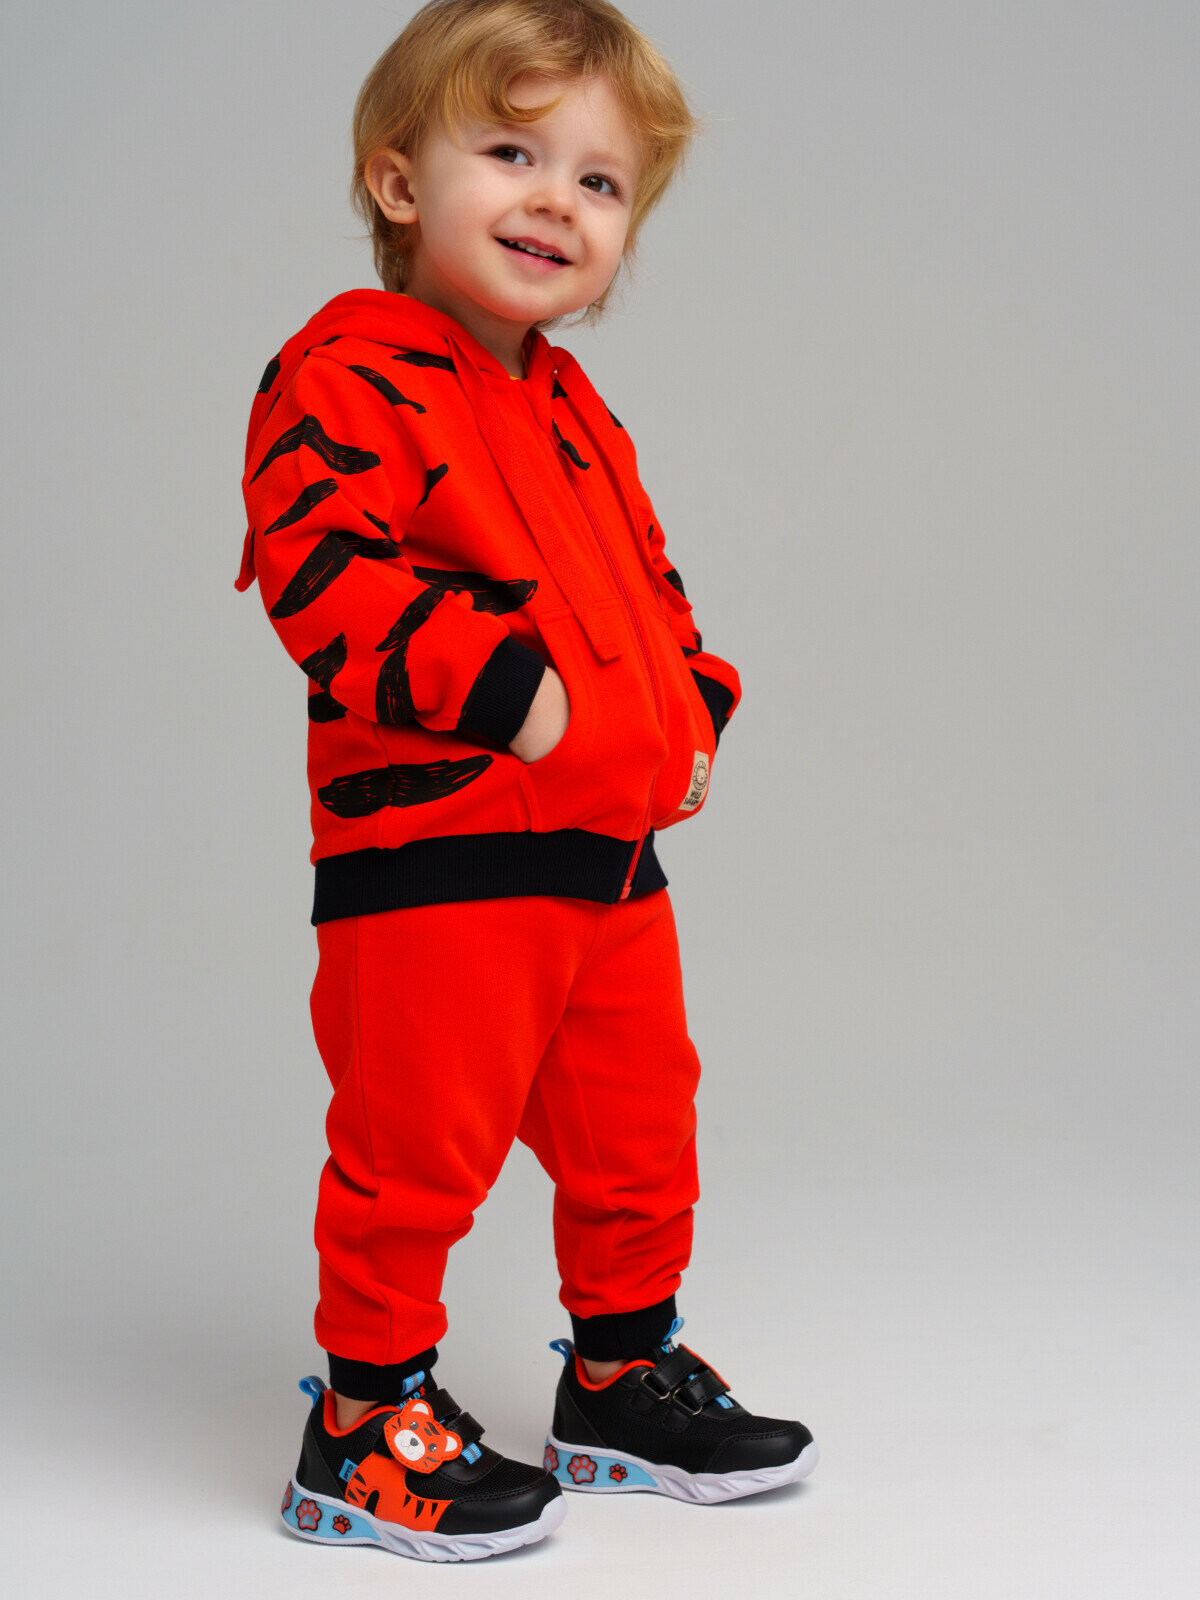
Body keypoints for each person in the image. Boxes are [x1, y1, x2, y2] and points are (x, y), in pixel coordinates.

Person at [237, 0, 817, 1564]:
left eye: (600, 182)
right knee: (417, 1151)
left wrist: (692, 707)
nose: (557, 200)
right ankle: (364, 1425)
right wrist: (520, 700)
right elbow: (320, 572)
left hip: (607, 853)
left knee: (641, 1127)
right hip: (439, 854)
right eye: (511, 153)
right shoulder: (346, 372)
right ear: (399, 181)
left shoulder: (574, 411)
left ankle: (621, 1382)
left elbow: (649, 582)